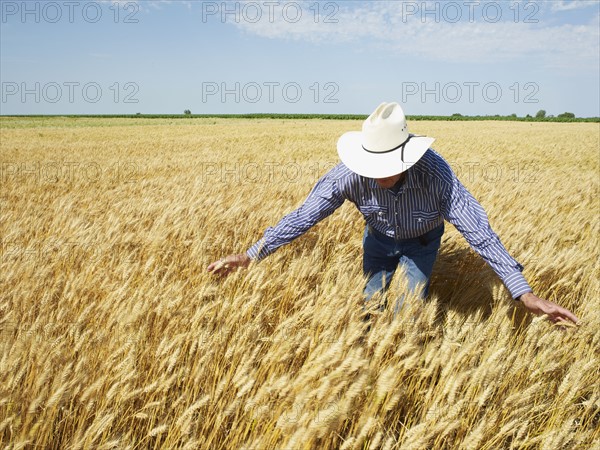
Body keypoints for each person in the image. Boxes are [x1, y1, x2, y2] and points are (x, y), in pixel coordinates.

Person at [208, 102, 579, 325]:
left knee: (408, 307)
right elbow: (303, 215)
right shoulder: (348, 176)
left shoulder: (436, 175)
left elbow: (478, 230)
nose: (378, 172)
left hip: (422, 243)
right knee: (371, 301)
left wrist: (523, 294)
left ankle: (401, 360)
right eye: (373, 163)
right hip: (378, 240)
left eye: (388, 163)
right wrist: (253, 253)